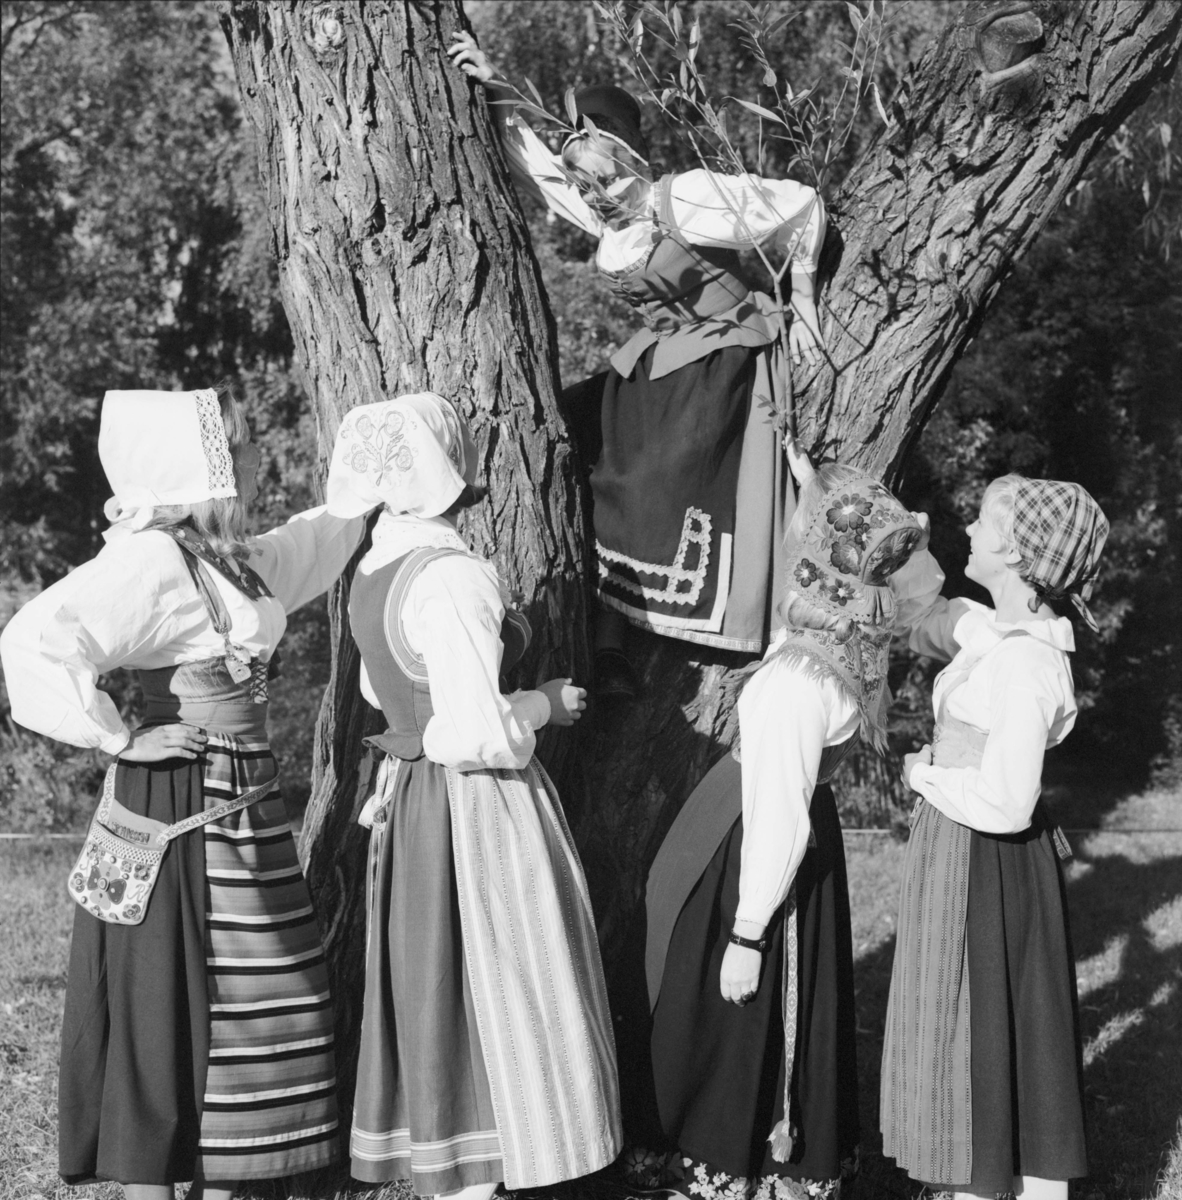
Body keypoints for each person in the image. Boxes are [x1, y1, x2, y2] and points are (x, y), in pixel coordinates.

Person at [0, 387, 368, 1195]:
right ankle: (152, 1179)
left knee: (258, 995)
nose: (255, 460)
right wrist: (116, 736)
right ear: (200, 469)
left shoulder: (223, 557)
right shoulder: (153, 560)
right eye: (239, 448)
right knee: (166, 997)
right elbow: (35, 638)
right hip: (182, 803)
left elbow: (306, 545)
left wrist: (381, 481)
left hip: (241, 803)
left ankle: (225, 1173)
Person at [449, 33, 828, 694]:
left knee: (649, 479)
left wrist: (804, 302)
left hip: (722, 361)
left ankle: (656, 623)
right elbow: (544, 176)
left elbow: (799, 205)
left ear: (627, 156)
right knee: (566, 432)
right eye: (586, 181)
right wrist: (499, 87)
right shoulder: (614, 218)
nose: (592, 190)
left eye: (601, 174)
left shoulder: (684, 198)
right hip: (663, 365)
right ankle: (607, 634)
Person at [324, 393, 622, 1198]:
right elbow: (473, 731)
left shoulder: (375, 568)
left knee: (443, 980)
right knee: (499, 979)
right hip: (471, 801)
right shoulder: (451, 577)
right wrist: (543, 705)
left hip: (415, 798)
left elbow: (384, 692)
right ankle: (509, 1156)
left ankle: (460, 1161)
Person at [640, 444, 944, 1199]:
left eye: (801, 528)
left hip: (762, 848)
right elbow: (907, 578)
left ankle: (732, 1159)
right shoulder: (851, 639)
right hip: (768, 826)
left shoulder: (795, 684)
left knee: (737, 1007)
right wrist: (824, 493)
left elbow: (778, 812)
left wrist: (747, 934)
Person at [881, 475, 1108, 1200]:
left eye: (983, 521)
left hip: (989, 861)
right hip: (963, 848)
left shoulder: (1028, 662)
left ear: (1014, 549)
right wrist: (884, 533)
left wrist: (923, 775)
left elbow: (1007, 804)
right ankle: (976, 1177)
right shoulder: (994, 632)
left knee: (986, 1028)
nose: (971, 530)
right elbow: (928, 612)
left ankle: (997, 1181)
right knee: (974, 1029)